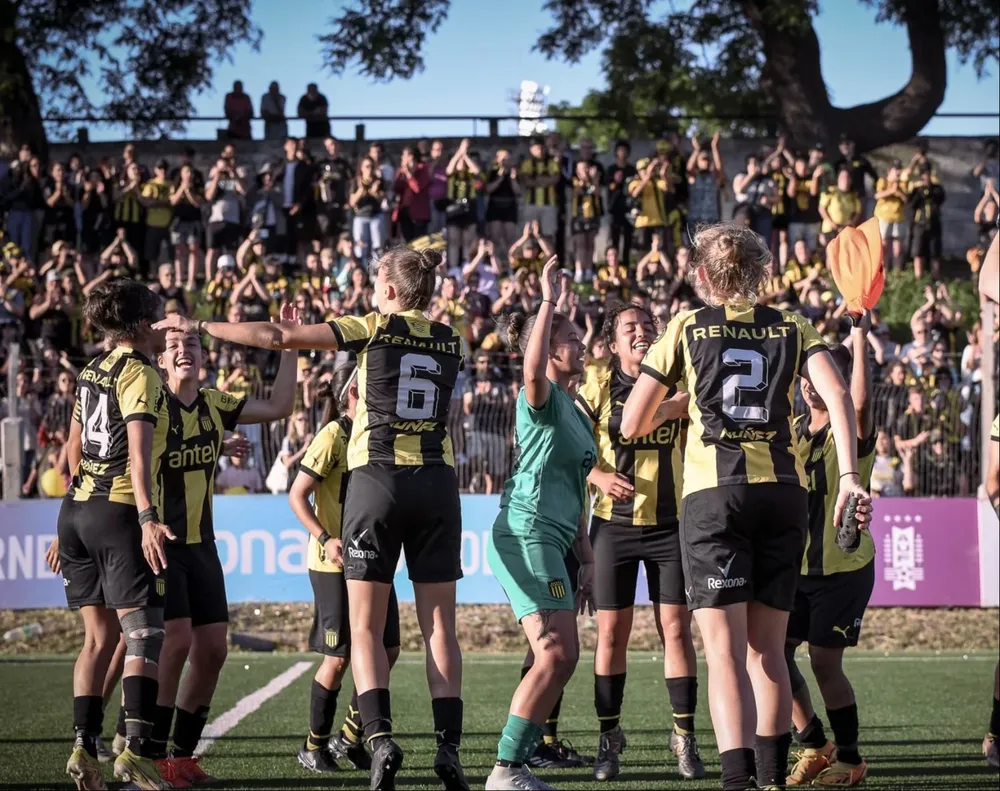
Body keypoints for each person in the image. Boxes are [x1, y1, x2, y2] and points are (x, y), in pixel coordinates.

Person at [153, 246, 470, 791]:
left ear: (390, 292)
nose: (371, 294)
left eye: (375, 285)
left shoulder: (373, 326)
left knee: (365, 629)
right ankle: (448, 749)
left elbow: (278, 338)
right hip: (439, 482)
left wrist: (199, 323)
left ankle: (379, 739)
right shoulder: (451, 340)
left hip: (379, 479)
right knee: (441, 626)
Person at [621, 223, 872, 791]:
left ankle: (738, 784)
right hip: (784, 494)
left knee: (726, 655)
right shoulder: (792, 324)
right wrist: (851, 477)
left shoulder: (686, 325)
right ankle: (772, 783)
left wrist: (687, 403)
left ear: (703, 274)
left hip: (716, 496)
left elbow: (632, 423)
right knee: (770, 655)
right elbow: (837, 397)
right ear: (762, 272)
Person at [143, 308, 300, 787]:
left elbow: (279, 407)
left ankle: (181, 757)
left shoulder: (213, 404)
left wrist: (289, 345)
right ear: (162, 363)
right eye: (174, 348)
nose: (184, 351)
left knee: (212, 650)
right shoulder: (147, 406)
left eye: (190, 345)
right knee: (175, 644)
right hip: (161, 544)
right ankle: (147, 754)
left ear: (203, 359)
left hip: (203, 546)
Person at [576, 302, 703, 782]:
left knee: (675, 630)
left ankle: (684, 737)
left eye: (649, 325)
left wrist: (671, 404)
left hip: (671, 525)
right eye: (630, 327)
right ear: (612, 344)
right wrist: (598, 476)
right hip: (613, 526)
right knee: (611, 636)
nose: (642, 332)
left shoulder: (678, 379)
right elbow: (563, 446)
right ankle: (609, 739)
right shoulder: (597, 386)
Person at [484, 255, 598, 791]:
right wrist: (548, 301)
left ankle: (516, 765)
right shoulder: (543, 399)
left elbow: (577, 493)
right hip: (525, 532)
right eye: (571, 337)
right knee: (554, 651)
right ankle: (506, 769)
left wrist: (588, 557)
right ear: (550, 348)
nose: (583, 345)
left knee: (564, 655)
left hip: (557, 541)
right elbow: (529, 370)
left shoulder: (577, 414)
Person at [59, 279, 172, 790]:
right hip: (120, 509)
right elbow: (139, 457)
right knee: (143, 635)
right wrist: (147, 518)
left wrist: (69, 519)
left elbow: (72, 448)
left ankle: (84, 745)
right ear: (144, 324)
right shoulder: (140, 373)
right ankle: (136, 752)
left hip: (78, 511)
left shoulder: (90, 369)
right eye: (161, 316)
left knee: (98, 638)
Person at [287, 361, 403, 774]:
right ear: (352, 392)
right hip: (333, 563)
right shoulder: (334, 434)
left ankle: (350, 736)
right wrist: (325, 538)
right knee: (338, 657)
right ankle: (312, 745)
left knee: (387, 649)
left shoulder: (377, 435)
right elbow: (298, 494)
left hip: (371, 559)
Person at [785, 317, 876, 787]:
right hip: (794, 567)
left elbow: (858, 402)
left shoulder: (852, 435)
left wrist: (858, 336)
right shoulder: (793, 428)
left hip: (842, 568)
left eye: (819, 375)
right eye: (804, 375)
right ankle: (817, 745)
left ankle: (852, 758)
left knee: (823, 661)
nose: (808, 383)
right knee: (773, 654)